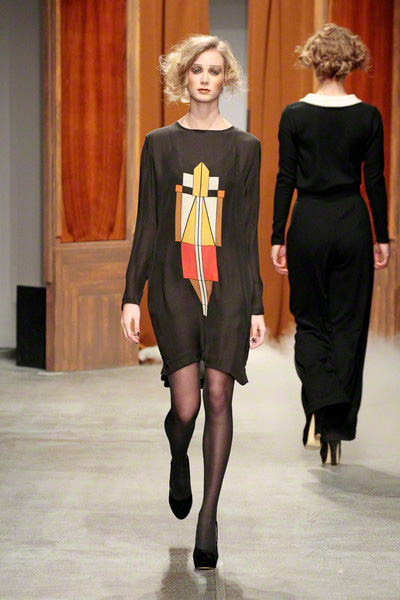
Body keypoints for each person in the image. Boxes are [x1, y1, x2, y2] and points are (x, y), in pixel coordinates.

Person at [121, 34, 266, 569]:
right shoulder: (159, 143)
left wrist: (256, 304)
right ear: (183, 77)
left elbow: (246, 232)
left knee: (219, 394)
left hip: (228, 286)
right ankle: (178, 454)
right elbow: (148, 224)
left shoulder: (246, 148)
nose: (205, 79)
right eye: (197, 70)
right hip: (174, 283)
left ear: (226, 78)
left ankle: (209, 517)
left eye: (214, 70)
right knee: (187, 407)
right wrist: (131, 295)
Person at [271, 23, 390, 466]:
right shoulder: (368, 117)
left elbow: (286, 178)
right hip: (352, 222)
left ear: (313, 60)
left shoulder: (294, 115)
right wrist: (381, 235)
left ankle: (320, 408)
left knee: (309, 323)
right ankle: (334, 424)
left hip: (308, 223)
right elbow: (374, 181)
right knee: (348, 326)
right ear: (352, 62)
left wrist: (277, 235)